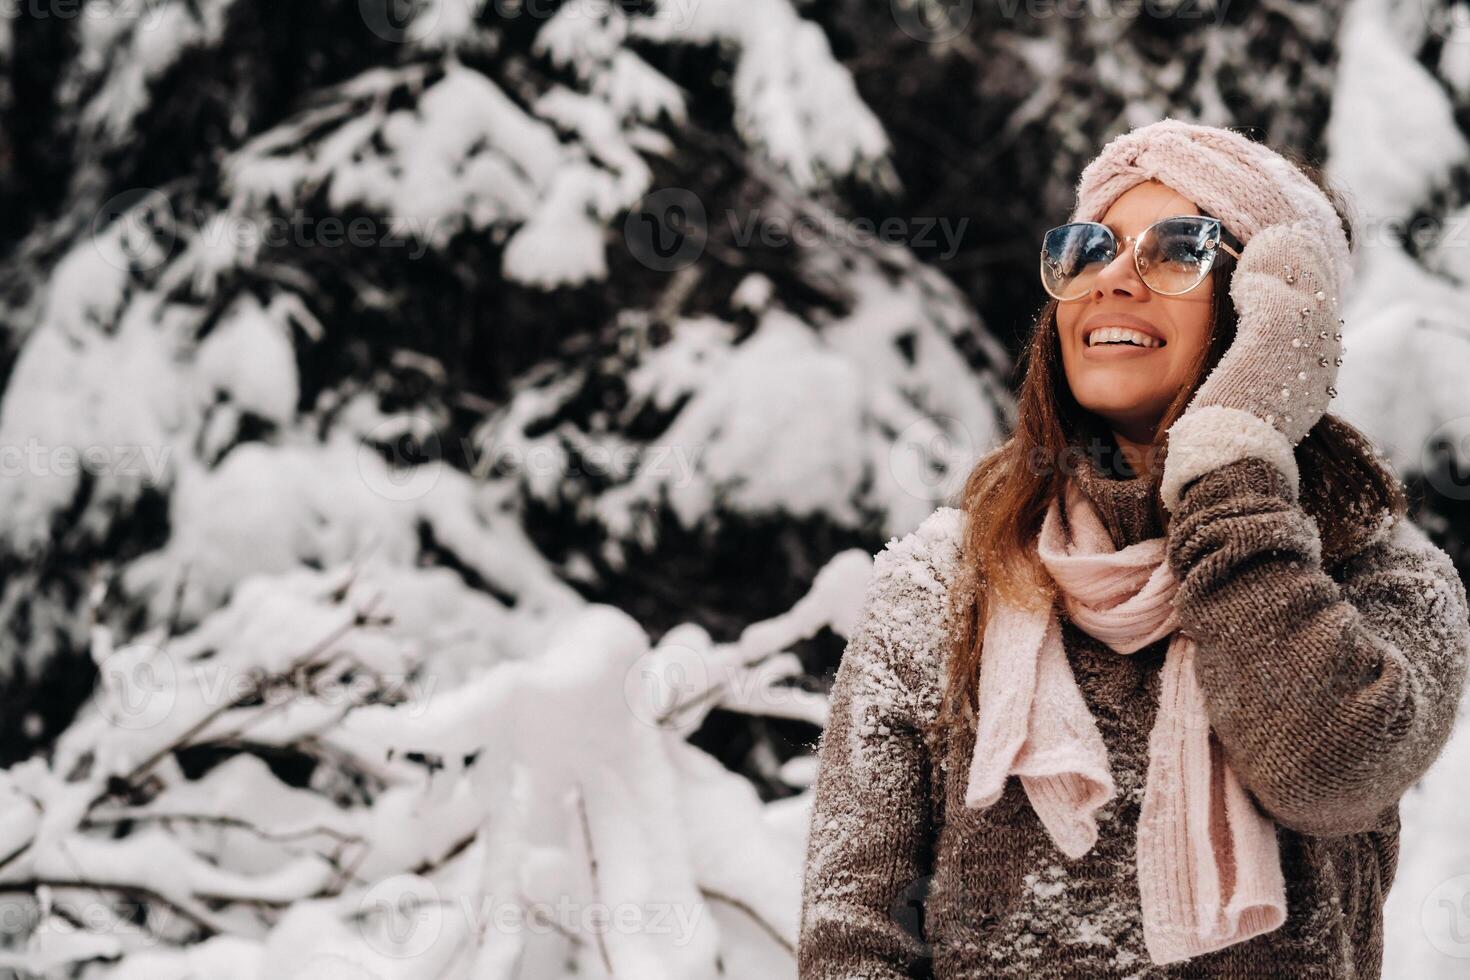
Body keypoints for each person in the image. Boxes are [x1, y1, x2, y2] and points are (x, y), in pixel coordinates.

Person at [795, 117, 1470, 979]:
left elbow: (1328, 767)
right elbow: (856, 943)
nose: (1113, 277)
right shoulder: (942, 584)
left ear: (1273, 312)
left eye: (1180, 247)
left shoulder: (1384, 577)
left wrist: (1230, 457)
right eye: (1090, 248)